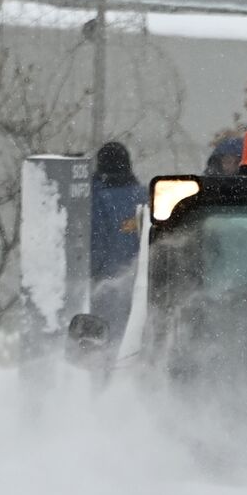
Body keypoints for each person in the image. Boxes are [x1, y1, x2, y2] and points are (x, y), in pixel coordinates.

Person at [89, 141, 144, 347]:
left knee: (104, 339)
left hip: (106, 283)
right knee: (131, 337)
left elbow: (97, 242)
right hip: (137, 281)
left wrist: (91, 272)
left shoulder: (98, 198)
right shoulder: (142, 195)